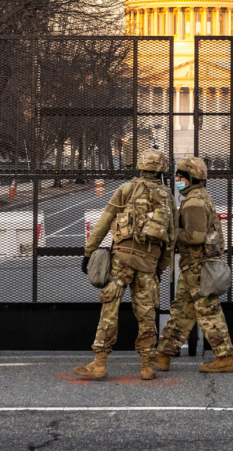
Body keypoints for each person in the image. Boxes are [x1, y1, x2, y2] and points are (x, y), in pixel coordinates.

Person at [74, 149, 176, 381]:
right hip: (149, 262)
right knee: (147, 313)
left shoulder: (126, 190)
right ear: (161, 169)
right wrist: (160, 267)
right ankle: (146, 366)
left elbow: (103, 222)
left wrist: (89, 252)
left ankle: (100, 362)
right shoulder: (168, 196)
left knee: (110, 308)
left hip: (121, 259)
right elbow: (170, 239)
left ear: (140, 166)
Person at [154, 157, 233, 373]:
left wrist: (172, 231)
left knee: (208, 312)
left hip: (197, 266)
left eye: (181, 176)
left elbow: (196, 236)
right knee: (182, 310)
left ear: (191, 179)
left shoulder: (193, 203)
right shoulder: (198, 197)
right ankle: (163, 354)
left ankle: (225, 357)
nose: (177, 179)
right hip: (195, 266)